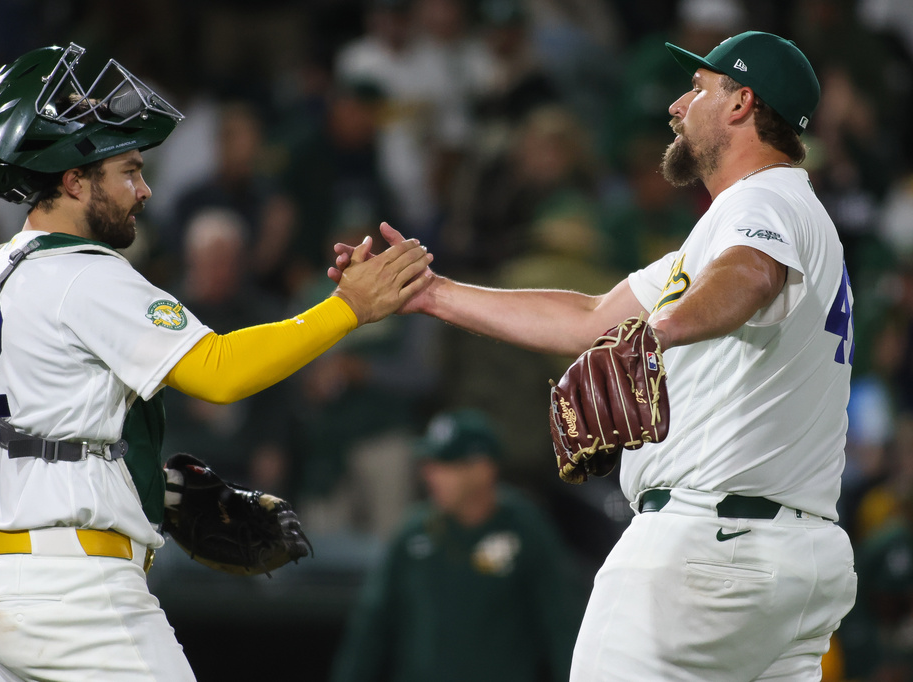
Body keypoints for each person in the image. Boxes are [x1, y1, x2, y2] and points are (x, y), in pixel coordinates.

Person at [332, 31, 859, 680]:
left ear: (741, 104)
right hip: (798, 562)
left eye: (696, 90)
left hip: (707, 548)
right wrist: (433, 295)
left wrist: (658, 333)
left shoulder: (762, 201)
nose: (674, 105)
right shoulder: (784, 218)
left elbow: (750, 277)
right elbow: (589, 318)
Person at [0, 43, 432, 682]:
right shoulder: (84, 273)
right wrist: (346, 309)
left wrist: (147, 486)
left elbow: (39, 432)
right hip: (69, 593)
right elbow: (219, 371)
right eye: (128, 170)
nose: (145, 189)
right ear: (74, 180)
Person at [329, 408, 585, 682]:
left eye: (446, 464)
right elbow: (370, 629)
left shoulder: (524, 527)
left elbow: (562, 626)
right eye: (429, 464)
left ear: (483, 469)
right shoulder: (413, 534)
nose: (430, 474)